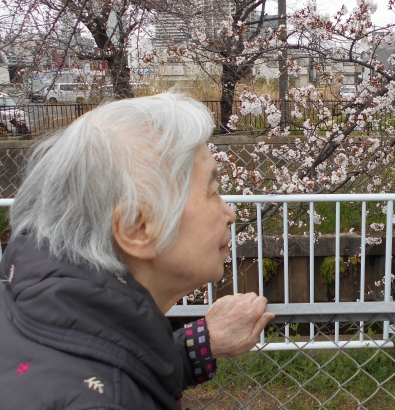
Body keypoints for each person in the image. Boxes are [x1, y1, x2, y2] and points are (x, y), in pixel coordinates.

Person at [0, 93, 274, 409]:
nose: (230, 213)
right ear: (136, 228)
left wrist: (199, 344)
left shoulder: (29, 300)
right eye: (212, 192)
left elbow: (115, 361)